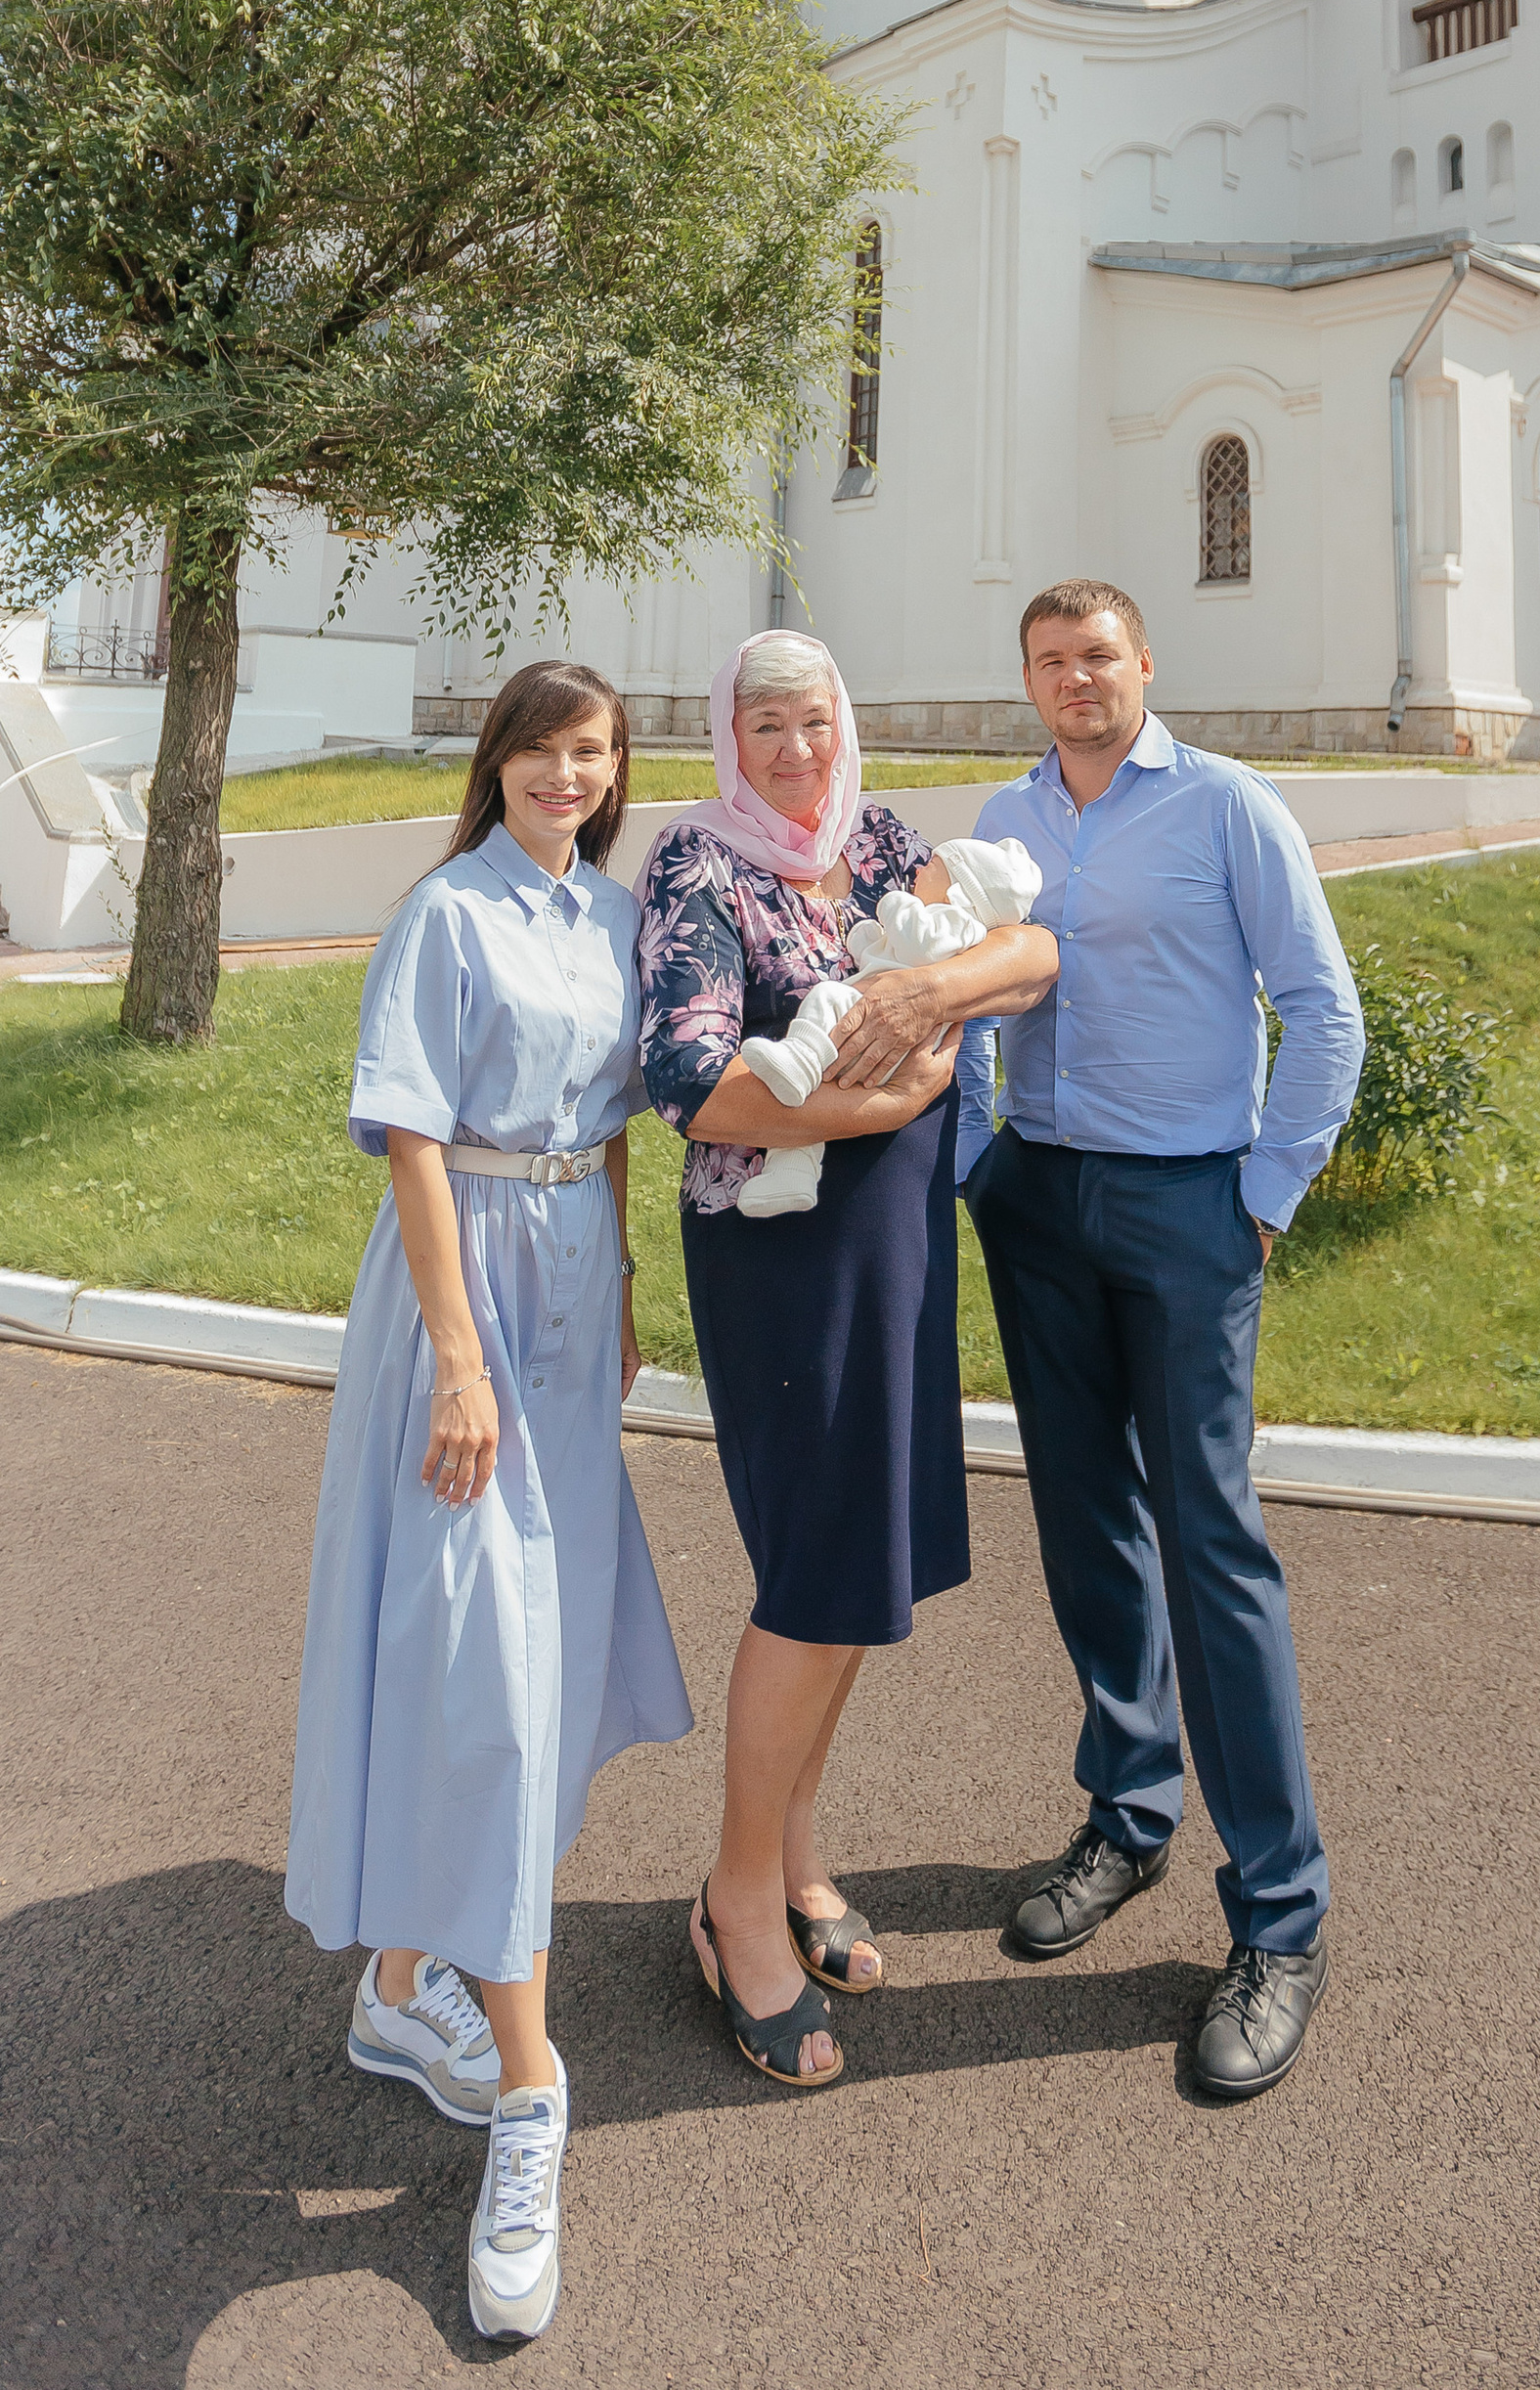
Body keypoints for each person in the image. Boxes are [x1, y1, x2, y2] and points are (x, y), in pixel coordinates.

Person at [286, 659, 691, 2345]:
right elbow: (414, 1143)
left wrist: (615, 1306)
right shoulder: (444, 916)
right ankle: (532, 2089)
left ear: (611, 774)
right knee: (479, 1672)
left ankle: (399, 1986)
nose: (565, 774)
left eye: (589, 753)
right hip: (460, 1303)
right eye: (539, 748)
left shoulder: (611, 921)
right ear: (500, 762)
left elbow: (607, 1142)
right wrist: (461, 1359)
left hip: (570, 1291)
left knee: (540, 1650)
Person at [951, 579, 1365, 2103]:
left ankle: (1279, 1919)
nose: (1076, 680)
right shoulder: (1004, 817)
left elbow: (1323, 1009)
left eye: (1099, 658)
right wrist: (974, 1163)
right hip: (1041, 1208)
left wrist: (1261, 1199)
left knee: (1213, 1549)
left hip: (1191, 1208)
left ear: (1145, 667)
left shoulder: (1229, 809)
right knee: (1083, 1529)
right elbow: (967, 997)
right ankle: (1128, 1816)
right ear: (1029, 678)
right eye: (1050, 662)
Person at [635, 630, 1058, 2085]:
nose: (796, 748)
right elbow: (692, 1082)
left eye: (813, 719)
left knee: (859, 1571)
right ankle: (734, 1905)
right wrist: (888, 1105)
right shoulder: (698, 867)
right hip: (781, 1261)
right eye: (765, 724)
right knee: (814, 1576)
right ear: (724, 734)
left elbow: (1024, 947)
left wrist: (935, 998)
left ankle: (795, 1856)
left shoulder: (876, 836)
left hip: (894, 1250)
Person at [738, 833, 1043, 1185]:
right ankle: (791, 1176)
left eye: (933, 867)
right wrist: (866, 937)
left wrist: (896, 904)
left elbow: (919, 945)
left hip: (887, 1041)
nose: (920, 870)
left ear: (958, 893)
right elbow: (884, 951)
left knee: (825, 998)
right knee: (810, 1105)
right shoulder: (937, 920)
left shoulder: (959, 926)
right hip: (874, 1032)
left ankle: (800, 1060)